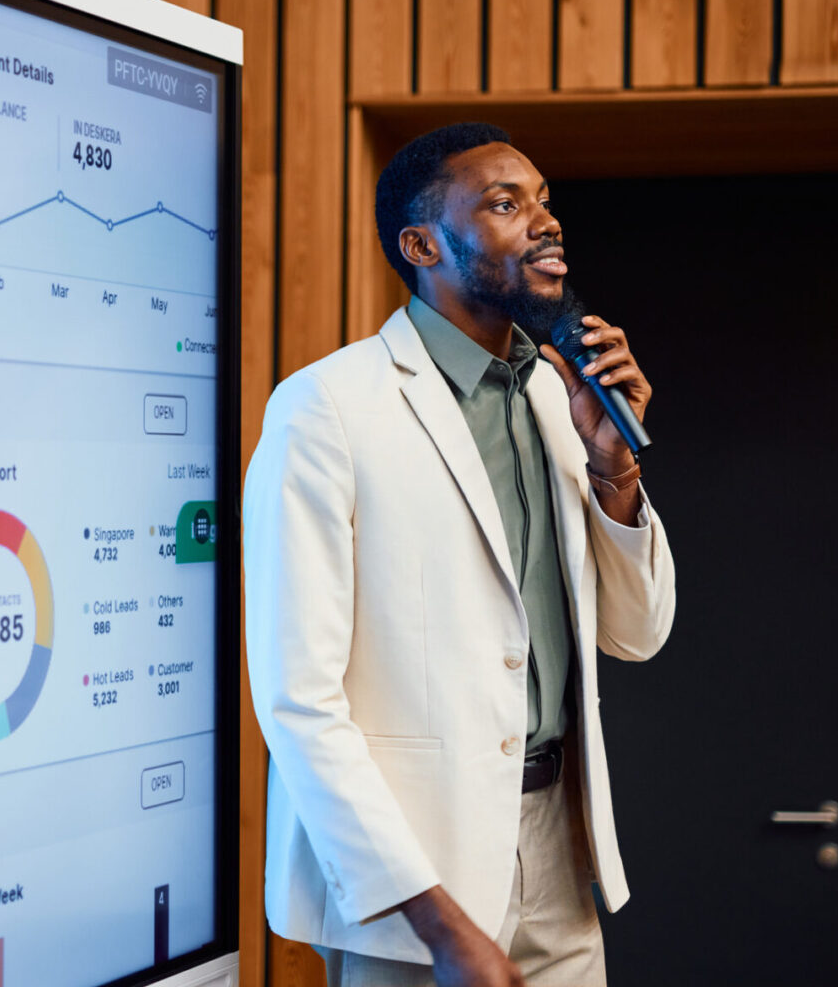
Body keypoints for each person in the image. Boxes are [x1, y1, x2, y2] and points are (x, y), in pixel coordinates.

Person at [242, 122, 676, 986]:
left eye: (543, 202)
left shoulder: (560, 396)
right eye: (504, 204)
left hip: (560, 850)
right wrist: (438, 924)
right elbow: (299, 703)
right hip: (412, 880)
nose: (543, 222)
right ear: (421, 244)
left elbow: (638, 632)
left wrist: (614, 467)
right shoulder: (327, 408)